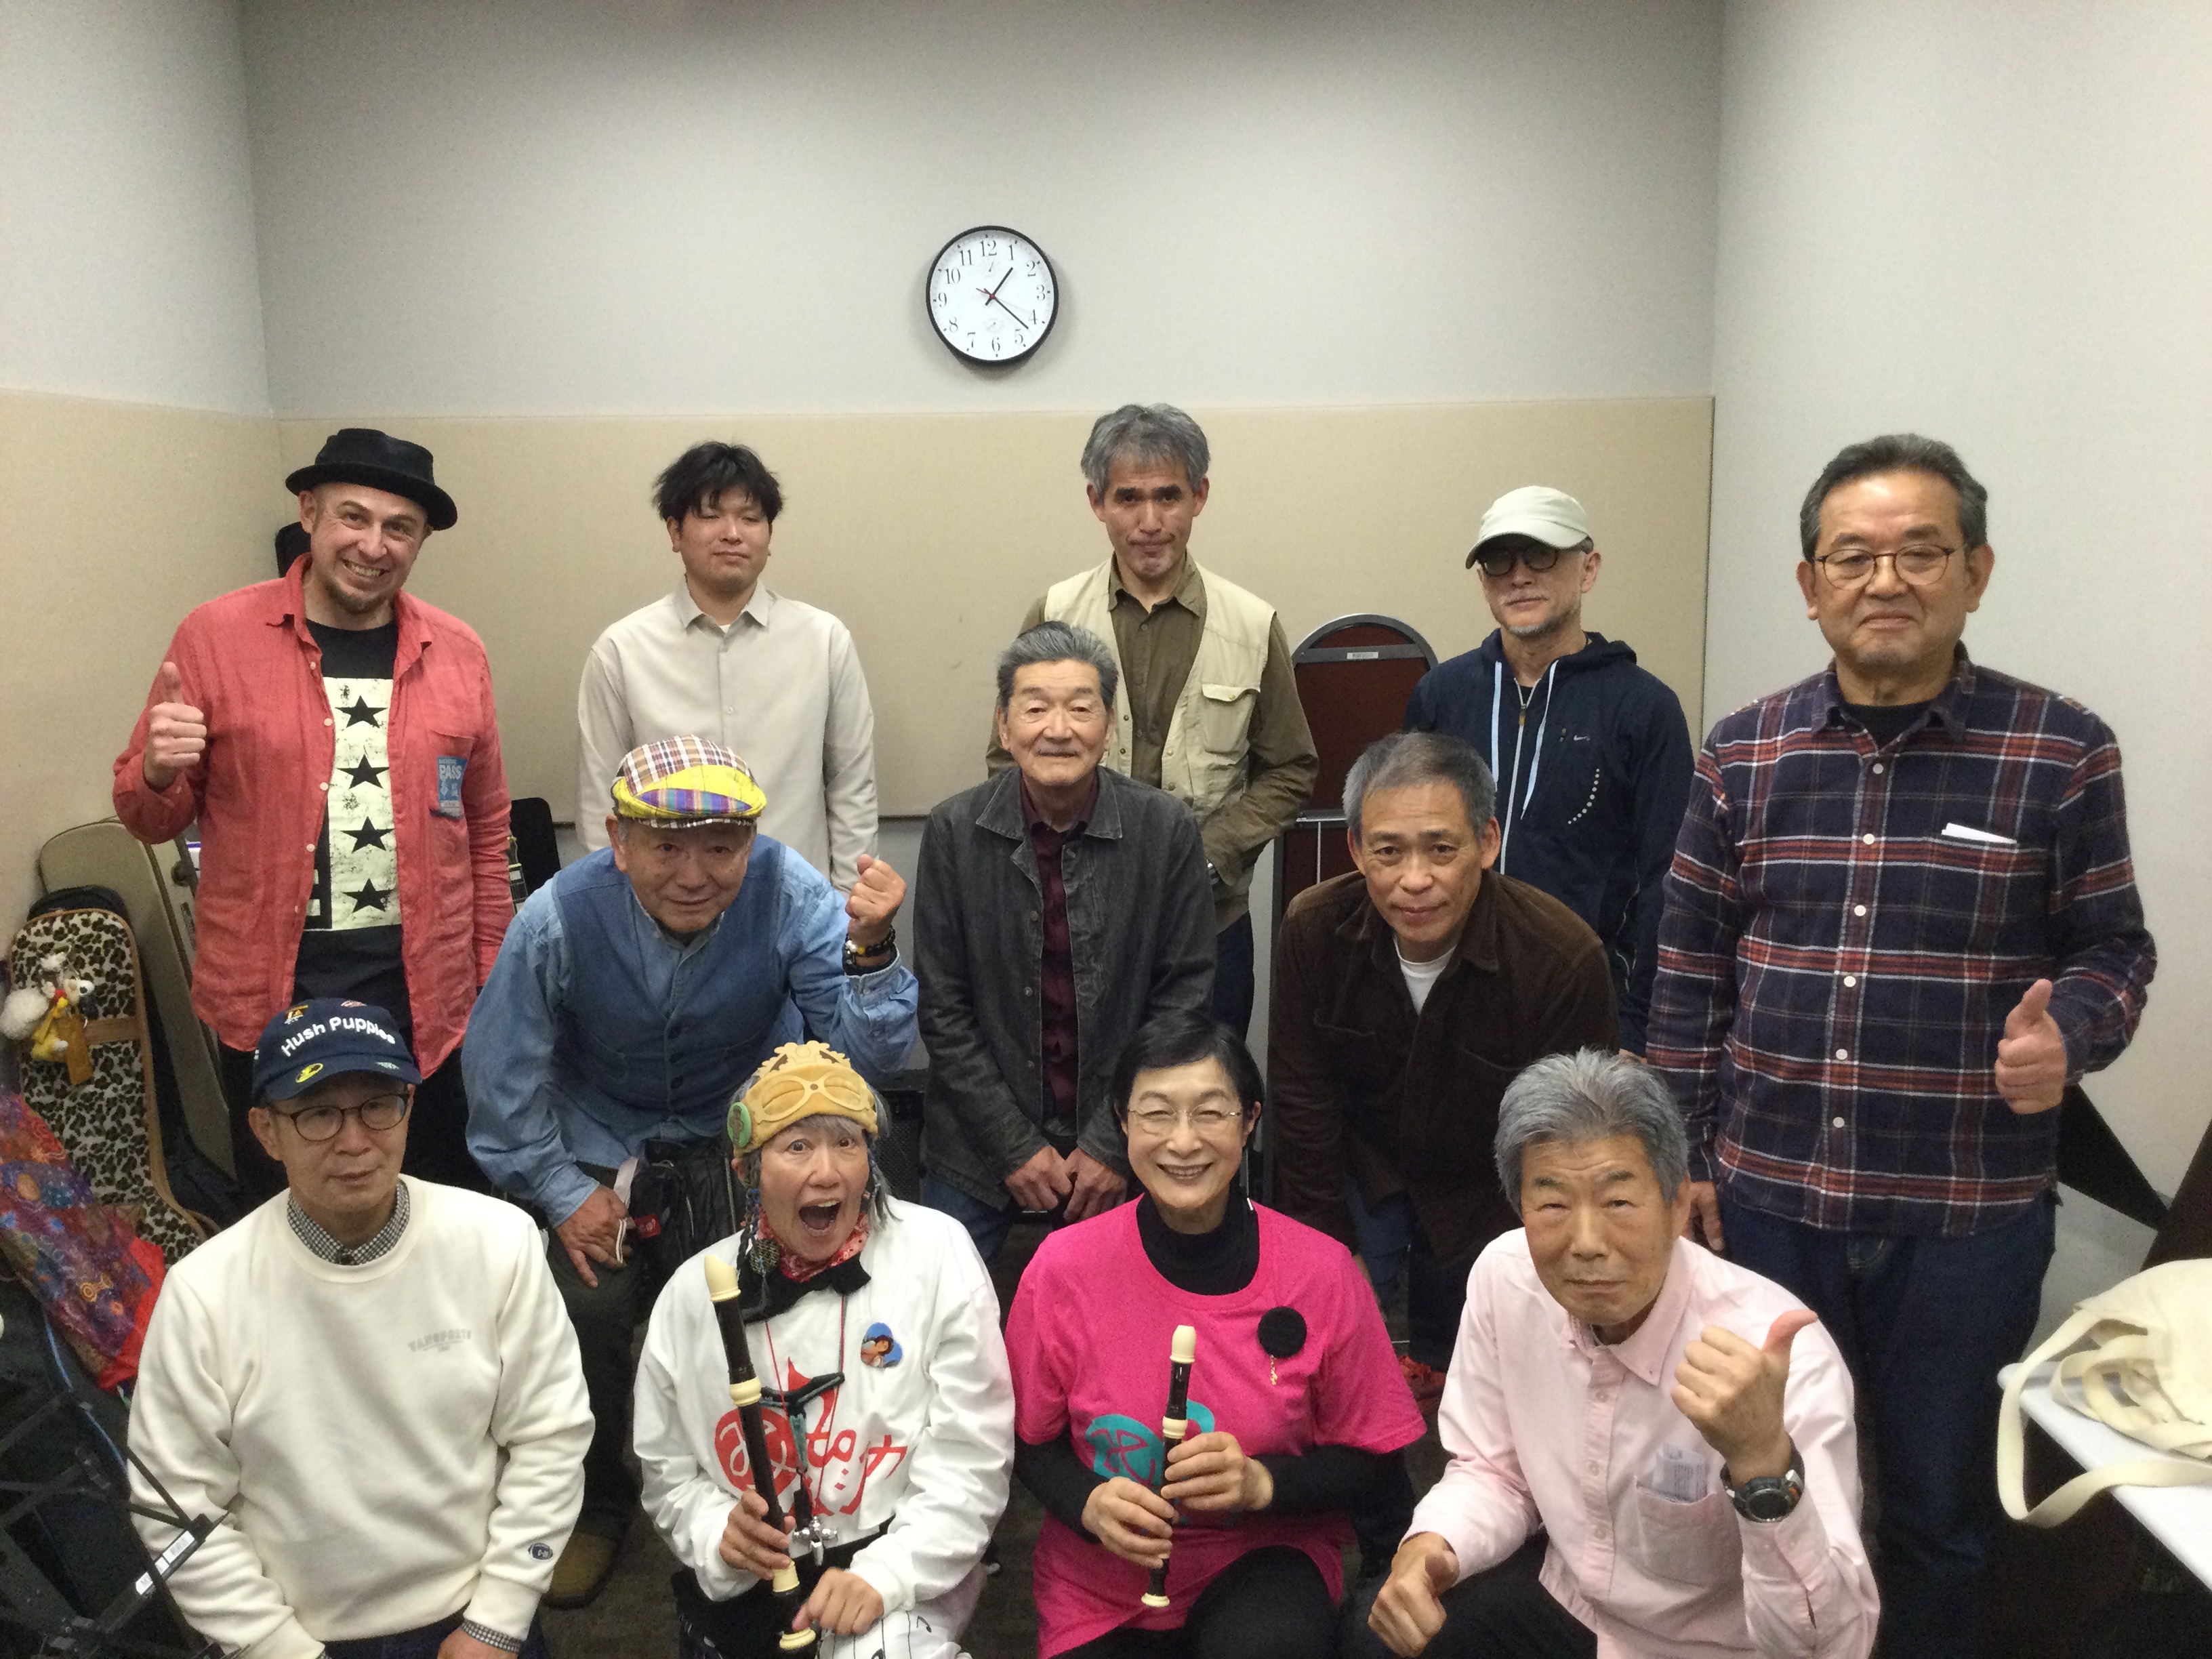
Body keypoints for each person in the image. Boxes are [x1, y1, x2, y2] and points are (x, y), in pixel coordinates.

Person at [1646, 433, 2156, 1658]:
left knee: (1936, 1513)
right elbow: (1688, 968)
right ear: (1808, 582)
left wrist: (2072, 1036)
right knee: (1767, 1481)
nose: (1885, 580)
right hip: (1769, 1204)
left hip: (1963, 1218)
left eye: (1919, 552)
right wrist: (1681, 1158)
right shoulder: (1743, 751)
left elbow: (2114, 949)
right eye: (1852, 556)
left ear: (1974, 571)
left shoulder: (2058, 750)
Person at [465, 737, 916, 1607]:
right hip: (598, 1139)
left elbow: (866, 1066)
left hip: (743, 1131)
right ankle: (594, 1502)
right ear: (617, 839)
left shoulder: (789, 893)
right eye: (665, 847)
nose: (694, 874)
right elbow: (500, 1081)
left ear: (751, 842)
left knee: (780, 1299)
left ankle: (785, 1486)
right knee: (582, 1309)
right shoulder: (556, 918)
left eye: (721, 847)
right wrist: (561, 1191)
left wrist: (870, 951)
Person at [1348, 1050, 1876, 1659]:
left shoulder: (1777, 1357)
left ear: (1678, 1206)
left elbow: (1831, 1648)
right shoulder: (1507, 1278)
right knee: (1376, 1633)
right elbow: (1494, 1471)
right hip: (1576, 1608)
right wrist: (1432, 1546)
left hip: (1713, 1647)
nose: (1587, 1243)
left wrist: (1762, 1463)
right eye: (1552, 1205)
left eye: (1618, 1203)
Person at [114, 428, 508, 1200]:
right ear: (309, 514)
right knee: (289, 1214)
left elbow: (487, 831)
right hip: (269, 1000)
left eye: (399, 528)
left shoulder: (459, 652)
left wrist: (492, 978)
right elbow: (147, 818)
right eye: (353, 517)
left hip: (426, 1005)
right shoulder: (216, 636)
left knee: (430, 1204)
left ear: (421, 541)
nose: (374, 546)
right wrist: (158, 770)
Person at [129, 999, 591, 1659]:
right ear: (266, 1131)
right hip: (301, 1637)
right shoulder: (203, 1295)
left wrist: (498, 1619)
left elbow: (551, 1435)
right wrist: (277, 1648)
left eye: (378, 1106)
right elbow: (173, 1506)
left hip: (479, 1619)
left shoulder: (499, 1242)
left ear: (409, 1107)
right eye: (318, 1114)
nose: (354, 1142)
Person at [1008, 1012, 1426, 1659]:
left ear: (1249, 1121)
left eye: (1210, 1112)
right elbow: (1027, 1441)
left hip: (1261, 1556)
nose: (1183, 1142)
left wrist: (1262, 1484)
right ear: (1122, 1122)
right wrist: (1087, 1503)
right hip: (1101, 1578)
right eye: (1156, 1114)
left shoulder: (1322, 1272)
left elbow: (1373, 1458)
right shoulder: (1061, 1269)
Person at [634, 1041, 1012, 1659]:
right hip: (755, 1590)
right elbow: (667, 1469)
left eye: (847, 1143)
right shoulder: (690, 1295)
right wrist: (717, 1534)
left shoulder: (936, 1253)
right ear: (747, 1170)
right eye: (797, 1147)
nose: (828, 1172)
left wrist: (886, 1574)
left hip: (904, 1571)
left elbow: (972, 1456)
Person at [1269, 731, 1618, 1399]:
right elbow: (1302, 1099)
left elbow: (1570, 1141)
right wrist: (1330, 1253)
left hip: (1489, 1188)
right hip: (1364, 1167)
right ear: (1355, 849)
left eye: (1441, 849)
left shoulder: (1560, 957)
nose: (1415, 879)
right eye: (1388, 851)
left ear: (1487, 842)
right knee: (1324, 1359)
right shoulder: (1313, 929)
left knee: (1496, 1382)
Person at [988, 403, 1317, 1033]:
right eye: (1128, 498)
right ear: (1097, 502)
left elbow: (1291, 769)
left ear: (1199, 497)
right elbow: (1008, 758)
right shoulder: (1054, 613)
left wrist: (1209, 855)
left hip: (1208, 923)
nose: (1149, 522)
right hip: (1070, 920)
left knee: (1200, 1085)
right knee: (1079, 1083)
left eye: (1168, 496)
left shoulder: (1252, 625)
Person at [918, 622, 1214, 1263]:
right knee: (935, 1291)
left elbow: (1182, 1003)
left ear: (1109, 728)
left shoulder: (1165, 829)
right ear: (1004, 727)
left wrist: (1112, 1142)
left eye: (1081, 709)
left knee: (1155, 1296)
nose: (1058, 729)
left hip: (1129, 1127)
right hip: (978, 1136)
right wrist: (1013, 1147)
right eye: (1035, 709)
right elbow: (944, 1012)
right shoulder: (953, 831)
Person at [1403, 485, 1694, 1053]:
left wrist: (1639, 1025)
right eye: (1499, 560)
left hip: (1587, 1009)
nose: (1519, 576)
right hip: (1449, 999)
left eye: (1541, 555)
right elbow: (1407, 843)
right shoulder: (1441, 695)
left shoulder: (1643, 708)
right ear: (1483, 580)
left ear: (1589, 568)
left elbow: (1670, 879)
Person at [577, 440, 878, 893]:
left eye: (751, 518)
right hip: (669, 906)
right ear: (674, 532)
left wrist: (845, 909)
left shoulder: (824, 640)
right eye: (711, 515)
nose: (733, 533)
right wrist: (616, 915)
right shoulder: (622, 650)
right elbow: (600, 803)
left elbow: (852, 789)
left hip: (797, 906)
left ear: (769, 537)